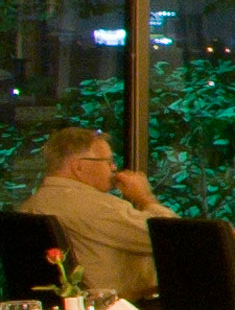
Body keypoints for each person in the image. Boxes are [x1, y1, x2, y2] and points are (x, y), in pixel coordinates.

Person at [18, 126, 170, 299]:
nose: (114, 168)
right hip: (122, 306)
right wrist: (144, 197)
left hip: (60, 307)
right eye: (108, 161)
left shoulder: (31, 205)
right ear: (79, 167)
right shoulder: (97, 207)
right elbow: (171, 237)